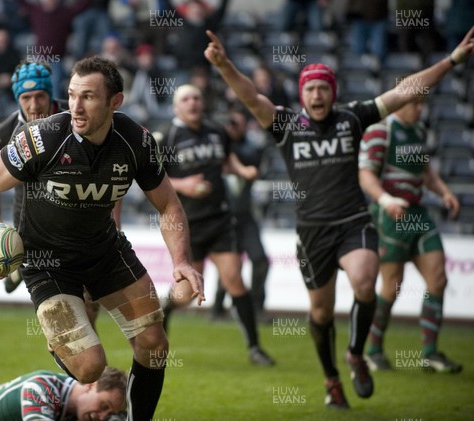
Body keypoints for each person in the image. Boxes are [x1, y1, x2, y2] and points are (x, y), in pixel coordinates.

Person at [203, 27, 474, 408]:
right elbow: (251, 97)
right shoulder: (288, 126)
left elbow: (404, 91)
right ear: (302, 94)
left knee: (366, 279)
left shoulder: (352, 118)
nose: (317, 95)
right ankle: (332, 379)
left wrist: (451, 60)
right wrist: (224, 65)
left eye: (323, 88)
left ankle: (356, 354)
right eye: (310, 89)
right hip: (313, 232)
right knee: (321, 312)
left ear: (333, 92)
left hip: (353, 223)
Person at [0, 56, 204, 421]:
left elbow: (168, 205)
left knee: (154, 344)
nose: (75, 106)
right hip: (46, 262)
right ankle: (60, 341)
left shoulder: (136, 141)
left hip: (104, 251)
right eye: (71, 95)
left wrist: (181, 261)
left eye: (87, 97)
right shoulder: (42, 137)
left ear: (114, 102)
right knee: (89, 367)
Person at [159, 84, 274, 366]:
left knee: (234, 279)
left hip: (221, 218)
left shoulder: (216, 131)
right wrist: (184, 184)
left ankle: (254, 348)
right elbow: (151, 180)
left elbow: (227, 159)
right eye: (186, 99)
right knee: (185, 295)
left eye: (197, 97)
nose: (193, 103)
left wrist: (241, 170)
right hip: (187, 225)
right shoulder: (167, 137)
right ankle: (166, 308)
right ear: (176, 107)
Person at [359, 97, 463, 373]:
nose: (421, 109)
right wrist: (386, 200)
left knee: (438, 278)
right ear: (400, 103)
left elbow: (425, 172)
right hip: (392, 217)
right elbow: (366, 174)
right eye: (416, 105)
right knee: (392, 287)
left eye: (423, 105)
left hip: (418, 214)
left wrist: (445, 193)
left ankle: (429, 353)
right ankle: (372, 350)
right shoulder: (382, 130)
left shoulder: (418, 131)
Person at [0, 61, 61, 294]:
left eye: (40, 96)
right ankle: (18, 265)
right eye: (26, 98)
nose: (34, 105)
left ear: (50, 94)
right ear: (17, 98)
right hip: (30, 230)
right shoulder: (0, 135)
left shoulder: (75, 120)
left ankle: (19, 270)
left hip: (75, 223)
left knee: (87, 301)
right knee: (57, 301)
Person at [210, 107, 271, 324]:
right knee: (229, 266)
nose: (230, 128)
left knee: (260, 260)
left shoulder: (250, 148)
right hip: (224, 216)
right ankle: (217, 309)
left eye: (235, 124)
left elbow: (251, 163)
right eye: (228, 124)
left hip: (245, 217)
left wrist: (227, 143)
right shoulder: (214, 146)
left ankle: (256, 308)